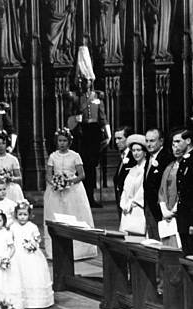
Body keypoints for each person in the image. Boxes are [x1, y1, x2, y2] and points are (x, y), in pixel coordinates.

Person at [67, 46, 111, 208]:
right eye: (83, 80)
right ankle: (81, 197)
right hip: (81, 133)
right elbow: (69, 121)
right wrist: (75, 119)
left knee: (92, 166)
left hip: (93, 133)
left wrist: (108, 135)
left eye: (88, 80)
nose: (86, 83)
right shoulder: (76, 98)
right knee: (81, 166)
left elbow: (103, 118)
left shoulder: (97, 98)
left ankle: (91, 196)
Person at [43, 128, 97, 260]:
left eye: (64, 141)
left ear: (69, 142)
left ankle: (80, 250)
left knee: (74, 215)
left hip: (73, 190)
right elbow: (48, 175)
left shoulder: (75, 155)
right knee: (57, 216)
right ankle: (56, 250)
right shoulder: (53, 156)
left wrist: (69, 182)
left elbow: (82, 175)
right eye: (59, 141)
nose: (62, 143)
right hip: (56, 190)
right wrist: (55, 183)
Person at [10, 200, 54, 309]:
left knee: (33, 273)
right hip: (17, 253)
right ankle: (20, 299)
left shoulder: (32, 226)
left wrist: (34, 244)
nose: (22, 217)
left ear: (29, 215)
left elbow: (37, 238)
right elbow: (10, 240)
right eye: (20, 214)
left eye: (25, 214)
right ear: (16, 215)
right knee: (18, 272)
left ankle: (35, 300)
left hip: (30, 253)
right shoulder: (13, 226)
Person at [143, 128, 173, 240]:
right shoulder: (149, 157)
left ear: (161, 141)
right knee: (152, 239)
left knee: (160, 241)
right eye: (147, 141)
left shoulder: (166, 158)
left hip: (160, 207)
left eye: (152, 141)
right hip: (149, 206)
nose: (149, 144)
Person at [0, 132, 24, 202]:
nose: (1, 146)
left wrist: (11, 178)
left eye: (3, 143)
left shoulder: (13, 159)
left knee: (16, 188)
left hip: (9, 185)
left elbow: (19, 178)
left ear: (6, 144)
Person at [119, 134, 147, 235]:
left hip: (138, 208)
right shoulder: (132, 169)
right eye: (133, 150)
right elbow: (125, 189)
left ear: (144, 151)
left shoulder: (145, 168)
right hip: (127, 208)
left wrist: (133, 203)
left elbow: (142, 189)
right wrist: (124, 204)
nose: (136, 153)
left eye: (139, 150)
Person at [113, 126, 135, 218]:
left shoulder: (134, 155)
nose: (117, 142)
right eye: (115, 139)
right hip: (121, 201)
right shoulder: (123, 155)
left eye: (119, 138)